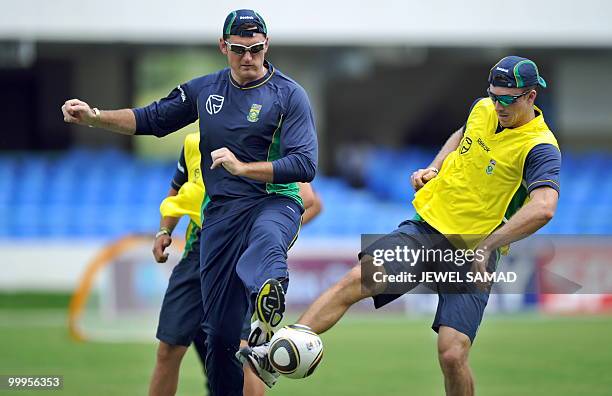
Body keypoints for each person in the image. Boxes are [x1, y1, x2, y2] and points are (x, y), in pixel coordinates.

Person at [240, 56, 561, 396]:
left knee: (452, 354)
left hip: (472, 250)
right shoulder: (483, 109)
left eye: (507, 99)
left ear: (530, 96)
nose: (498, 105)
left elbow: (544, 208)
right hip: (426, 227)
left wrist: (488, 246)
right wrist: (434, 167)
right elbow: (462, 134)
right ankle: (272, 355)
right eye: (494, 95)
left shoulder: (539, 146)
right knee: (357, 280)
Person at [61, 9, 318, 395]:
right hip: (218, 218)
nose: (248, 58)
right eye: (238, 50)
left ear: (267, 46)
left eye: (256, 49)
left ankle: (268, 304)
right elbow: (153, 118)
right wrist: (94, 117)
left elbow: (305, 163)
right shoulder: (204, 91)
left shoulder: (289, 95)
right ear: (223, 47)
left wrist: (244, 168)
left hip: (272, 201)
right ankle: (246, 343)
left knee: (266, 240)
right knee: (221, 341)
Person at [150, 133, 322, 396]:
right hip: (197, 251)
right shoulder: (192, 142)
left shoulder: (258, 141)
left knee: (240, 352)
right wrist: (164, 230)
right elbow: (177, 187)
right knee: (168, 348)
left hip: (236, 255)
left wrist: (267, 239)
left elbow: (309, 200)